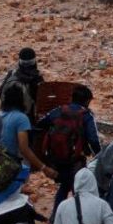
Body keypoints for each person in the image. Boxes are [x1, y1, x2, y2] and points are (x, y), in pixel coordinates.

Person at [36, 85, 101, 215]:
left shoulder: (58, 110)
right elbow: (93, 139)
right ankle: (81, 218)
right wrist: (99, 156)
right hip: (75, 160)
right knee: (78, 189)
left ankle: (55, 216)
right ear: (87, 101)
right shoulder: (86, 115)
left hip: (56, 159)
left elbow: (40, 123)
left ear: (71, 98)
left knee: (65, 185)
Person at [1, 83, 58, 182]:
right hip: (14, 168)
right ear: (21, 100)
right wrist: (43, 167)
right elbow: (24, 148)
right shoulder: (21, 118)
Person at [0, 47, 44, 122]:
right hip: (27, 120)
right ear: (34, 61)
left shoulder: (12, 74)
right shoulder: (37, 77)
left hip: (6, 116)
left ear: (20, 61)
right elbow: (41, 101)